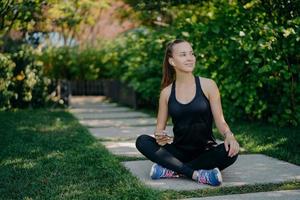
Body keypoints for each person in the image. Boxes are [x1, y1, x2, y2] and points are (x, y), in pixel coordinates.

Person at [135, 39, 240, 186]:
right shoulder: (166, 93)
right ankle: (197, 174)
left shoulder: (208, 85)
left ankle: (172, 170)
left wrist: (229, 136)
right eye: (183, 54)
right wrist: (160, 137)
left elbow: (220, 121)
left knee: (230, 151)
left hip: (205, 152)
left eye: (191, 53)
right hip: (178, 151)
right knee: (142, 141)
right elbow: (159, 129)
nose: (190, 58)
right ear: (172, 61)